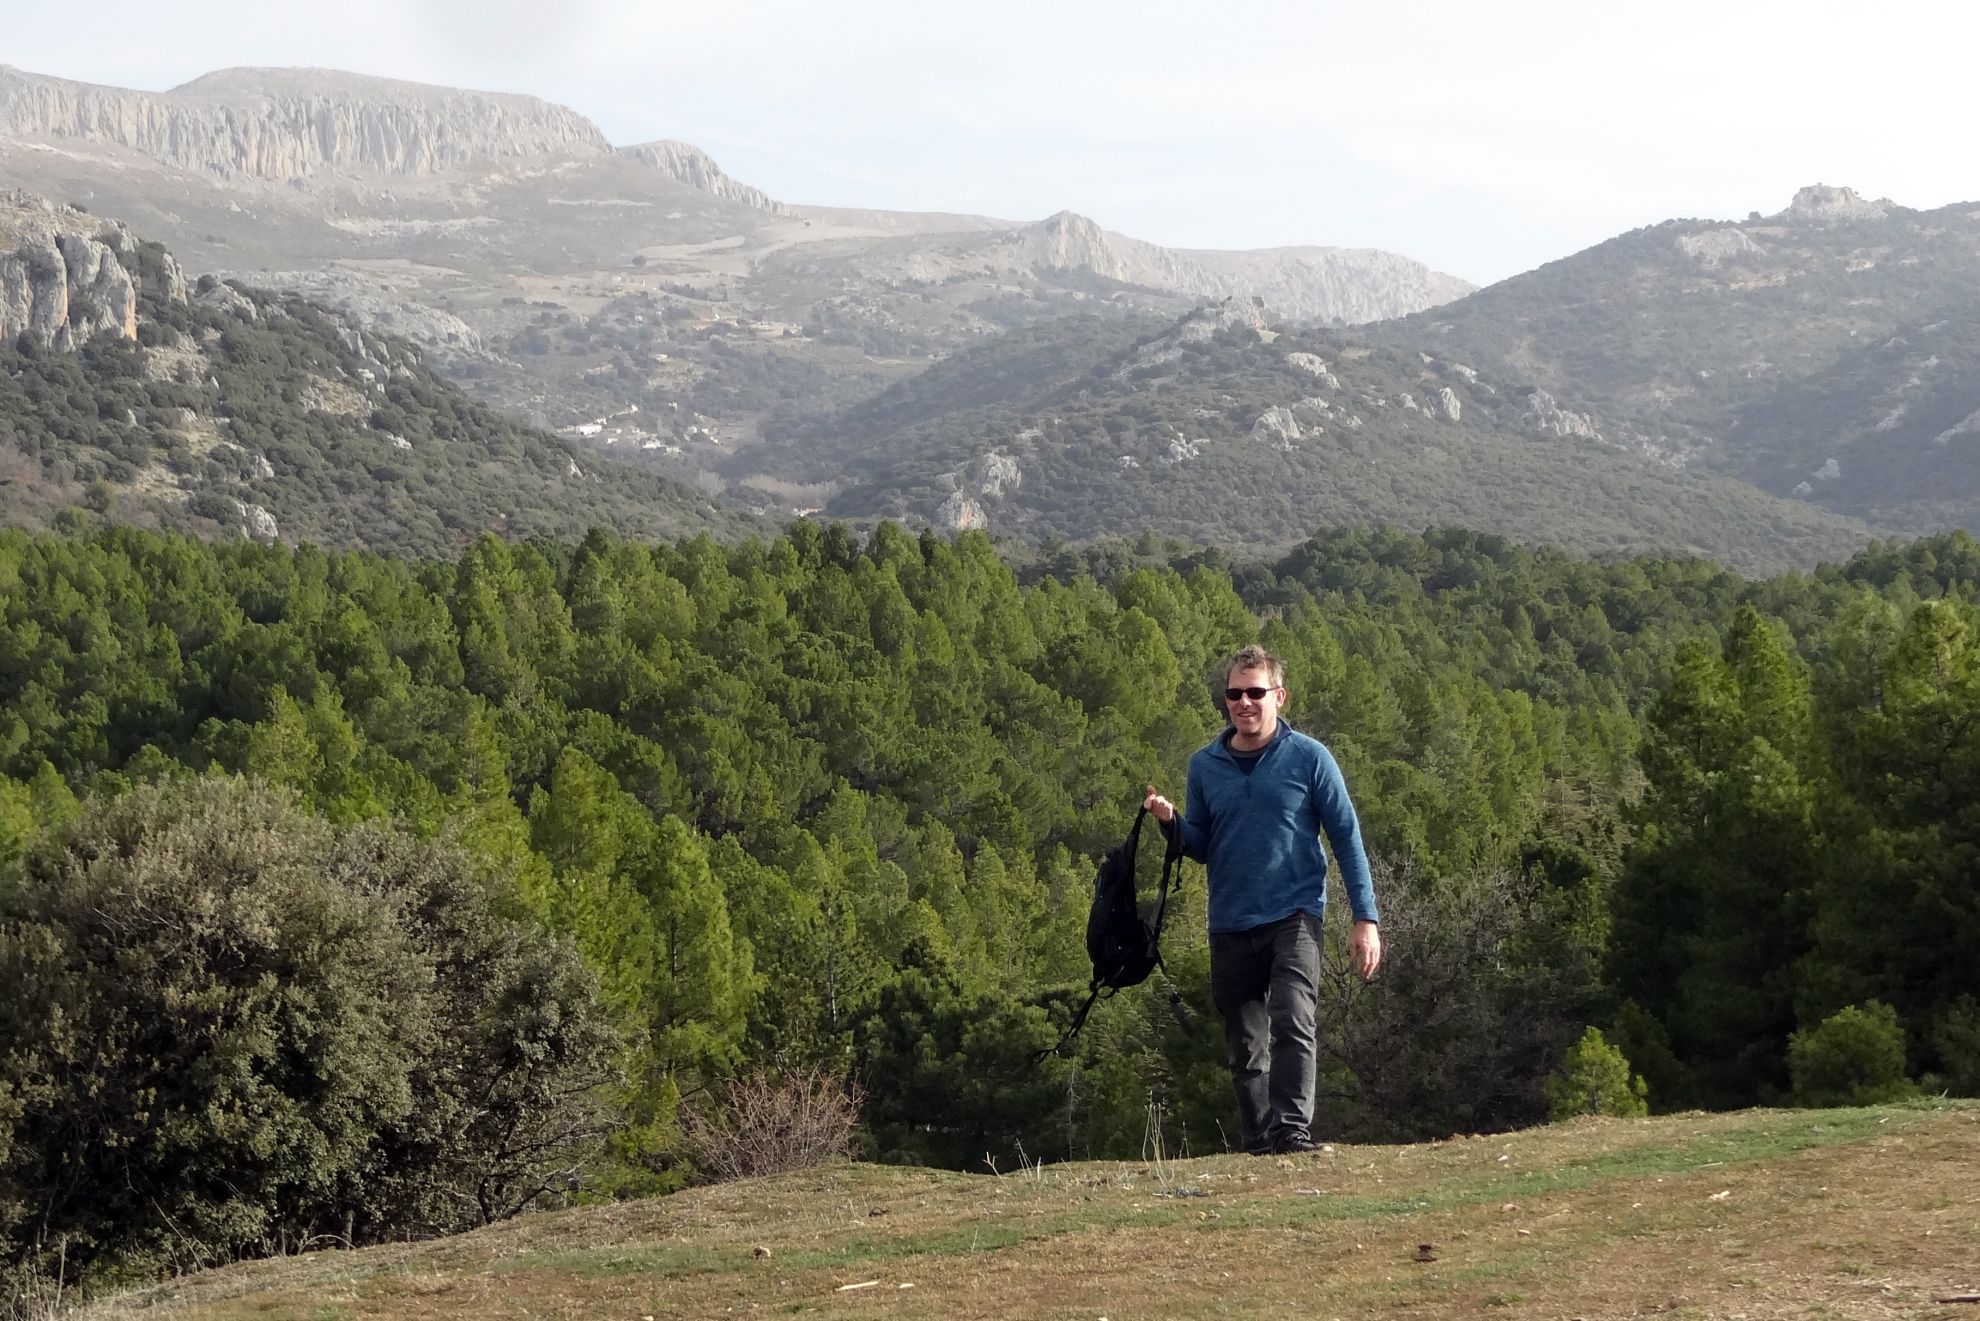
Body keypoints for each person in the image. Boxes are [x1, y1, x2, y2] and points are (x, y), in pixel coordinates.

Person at [1144, 644, 1381, 1155]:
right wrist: (1170, 823)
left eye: (1255, 692)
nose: (1243, 703)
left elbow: (1346, 837)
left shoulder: (1310, 757)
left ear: (1279, 696)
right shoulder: (1203, 765)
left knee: (1293, 1018)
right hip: (1229, 920)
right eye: (1234, 694)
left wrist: (1366, 918)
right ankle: (1259, 1140)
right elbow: (1201, 845)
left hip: (1295, 913)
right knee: (1244, 1041)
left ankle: (1292, 1130)